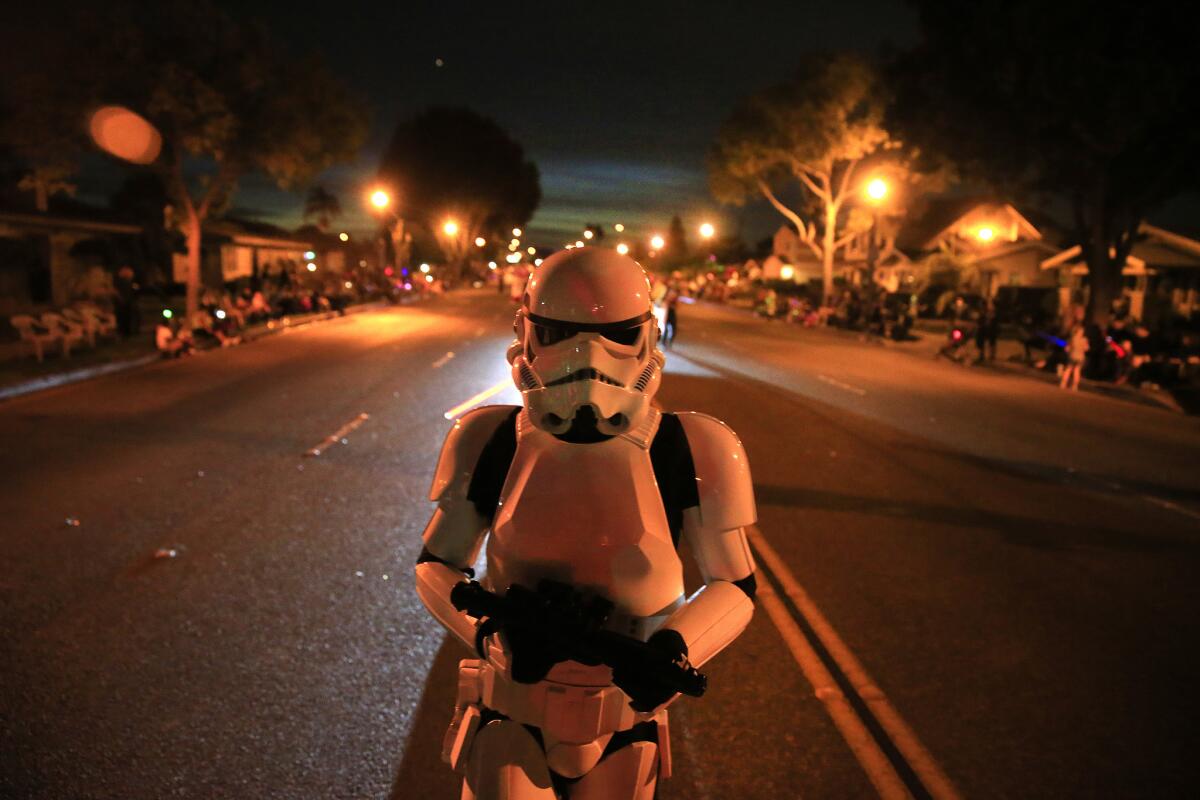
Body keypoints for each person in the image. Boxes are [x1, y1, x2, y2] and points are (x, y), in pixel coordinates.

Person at [415, 248, 756, 799]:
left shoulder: (694, 448)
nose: (586, 355)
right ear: (526, 333)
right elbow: (436, 565)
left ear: (646, 336)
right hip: (512, 711)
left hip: (623, 724)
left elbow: (735, 584)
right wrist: (496, 639)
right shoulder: (488, 439)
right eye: (558, 333)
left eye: (614, 334)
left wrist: (675, 647)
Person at [1060, 324, 1089, 390]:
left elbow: (1067, 349)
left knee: (1068, 369)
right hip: (1081, 357)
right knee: (1077, 371)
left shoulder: (1072, 338)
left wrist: (1070, 350)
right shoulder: (1084, 340)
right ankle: (1075, 386)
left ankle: (1063, 383)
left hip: (1073, 356)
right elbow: (1087, 348)